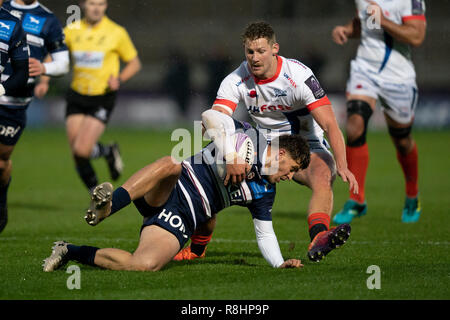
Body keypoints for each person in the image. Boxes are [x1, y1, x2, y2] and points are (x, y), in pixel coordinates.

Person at [42, 110, 331, 272]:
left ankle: (69, 250)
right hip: (170, 188)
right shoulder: (248, 138)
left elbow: (265, 233)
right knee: (172, 163)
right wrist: (230, 155)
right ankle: (108, 207)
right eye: (291, 169)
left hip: (181, 218)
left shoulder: (264, 193)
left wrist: (280, 263)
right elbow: (210, 117)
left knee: (144, 266)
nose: (290, 177)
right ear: (280, 155)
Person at [174, 21, 358, 262]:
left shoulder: (299, 76)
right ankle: (197, 248)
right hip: (262, 146)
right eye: (250, 52)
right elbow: (216, 118)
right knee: (212, 173)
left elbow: (330, 124)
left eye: (261, 51)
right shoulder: (235, 80)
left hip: (307, 143)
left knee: (324, 175)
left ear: (275, 49)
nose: (255, 58)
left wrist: (342, 164)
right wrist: (229, 153)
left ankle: (319, 236)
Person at [331, 0, 426, 224]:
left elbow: (416, 37)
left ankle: (412, 194)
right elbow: (367, 23)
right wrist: (347, 29)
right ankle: (357, 200)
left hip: (398, 76)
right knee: (354, 126)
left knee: (402, 140)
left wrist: (383, 20)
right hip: (365, 69)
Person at [0, 0, 69, 233]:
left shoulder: (47, 19)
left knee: (1, 162)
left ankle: (2, 202)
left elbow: (63, 62)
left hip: (14, 103)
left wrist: (45, 69)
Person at [63, 0, 141, 193]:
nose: (96, 8)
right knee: (77, 153)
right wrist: (45, 78)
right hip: (77, 95)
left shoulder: (116, 32)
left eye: (101, 4)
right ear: (83, 5)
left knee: (82, 150)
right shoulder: (71, 30)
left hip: (102, 97)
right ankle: (96, 192)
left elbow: (134, 63)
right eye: (92, 3)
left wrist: (120, 80)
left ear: (105, 6)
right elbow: (55, 55)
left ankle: (105, 156)